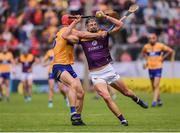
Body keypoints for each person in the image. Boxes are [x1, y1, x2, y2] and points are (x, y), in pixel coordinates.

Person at [63, 11, 148, 126]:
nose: (93, 26)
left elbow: (120, 25)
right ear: (87, 27)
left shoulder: (104, 34)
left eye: (94, 24)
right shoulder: (82, 39)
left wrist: (105, 16)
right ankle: (123, 120)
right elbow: (66, 36)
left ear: (97, 26)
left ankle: (136, 99)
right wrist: (75, 22)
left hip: (109, 70)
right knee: (106, 97)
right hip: (96, 75)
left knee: (127, 92)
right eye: (90, 25)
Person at [52, 14, 106, 126]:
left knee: (81, 92)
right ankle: (72, 112)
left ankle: (77, 118)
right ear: (69, 21)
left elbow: (79, 36)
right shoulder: (65, 31)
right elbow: (81, 35)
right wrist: (98, 34)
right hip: (59, 66)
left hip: (68, 66)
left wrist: (93, 35)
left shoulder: (67, 30)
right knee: (72, 85)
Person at [141, 33, 174, 107]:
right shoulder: (146, 46)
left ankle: (154, 101)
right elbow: (143, 53)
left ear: (156, 38)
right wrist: (147, 60)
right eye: (150, 38)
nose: (151, 39)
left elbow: (170, 50)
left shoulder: (160, 45)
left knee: (156, 85)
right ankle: (159, 100)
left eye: (153, 38)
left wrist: (163, 58)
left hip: (158, 67)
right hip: (150, 67)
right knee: (153, 86)